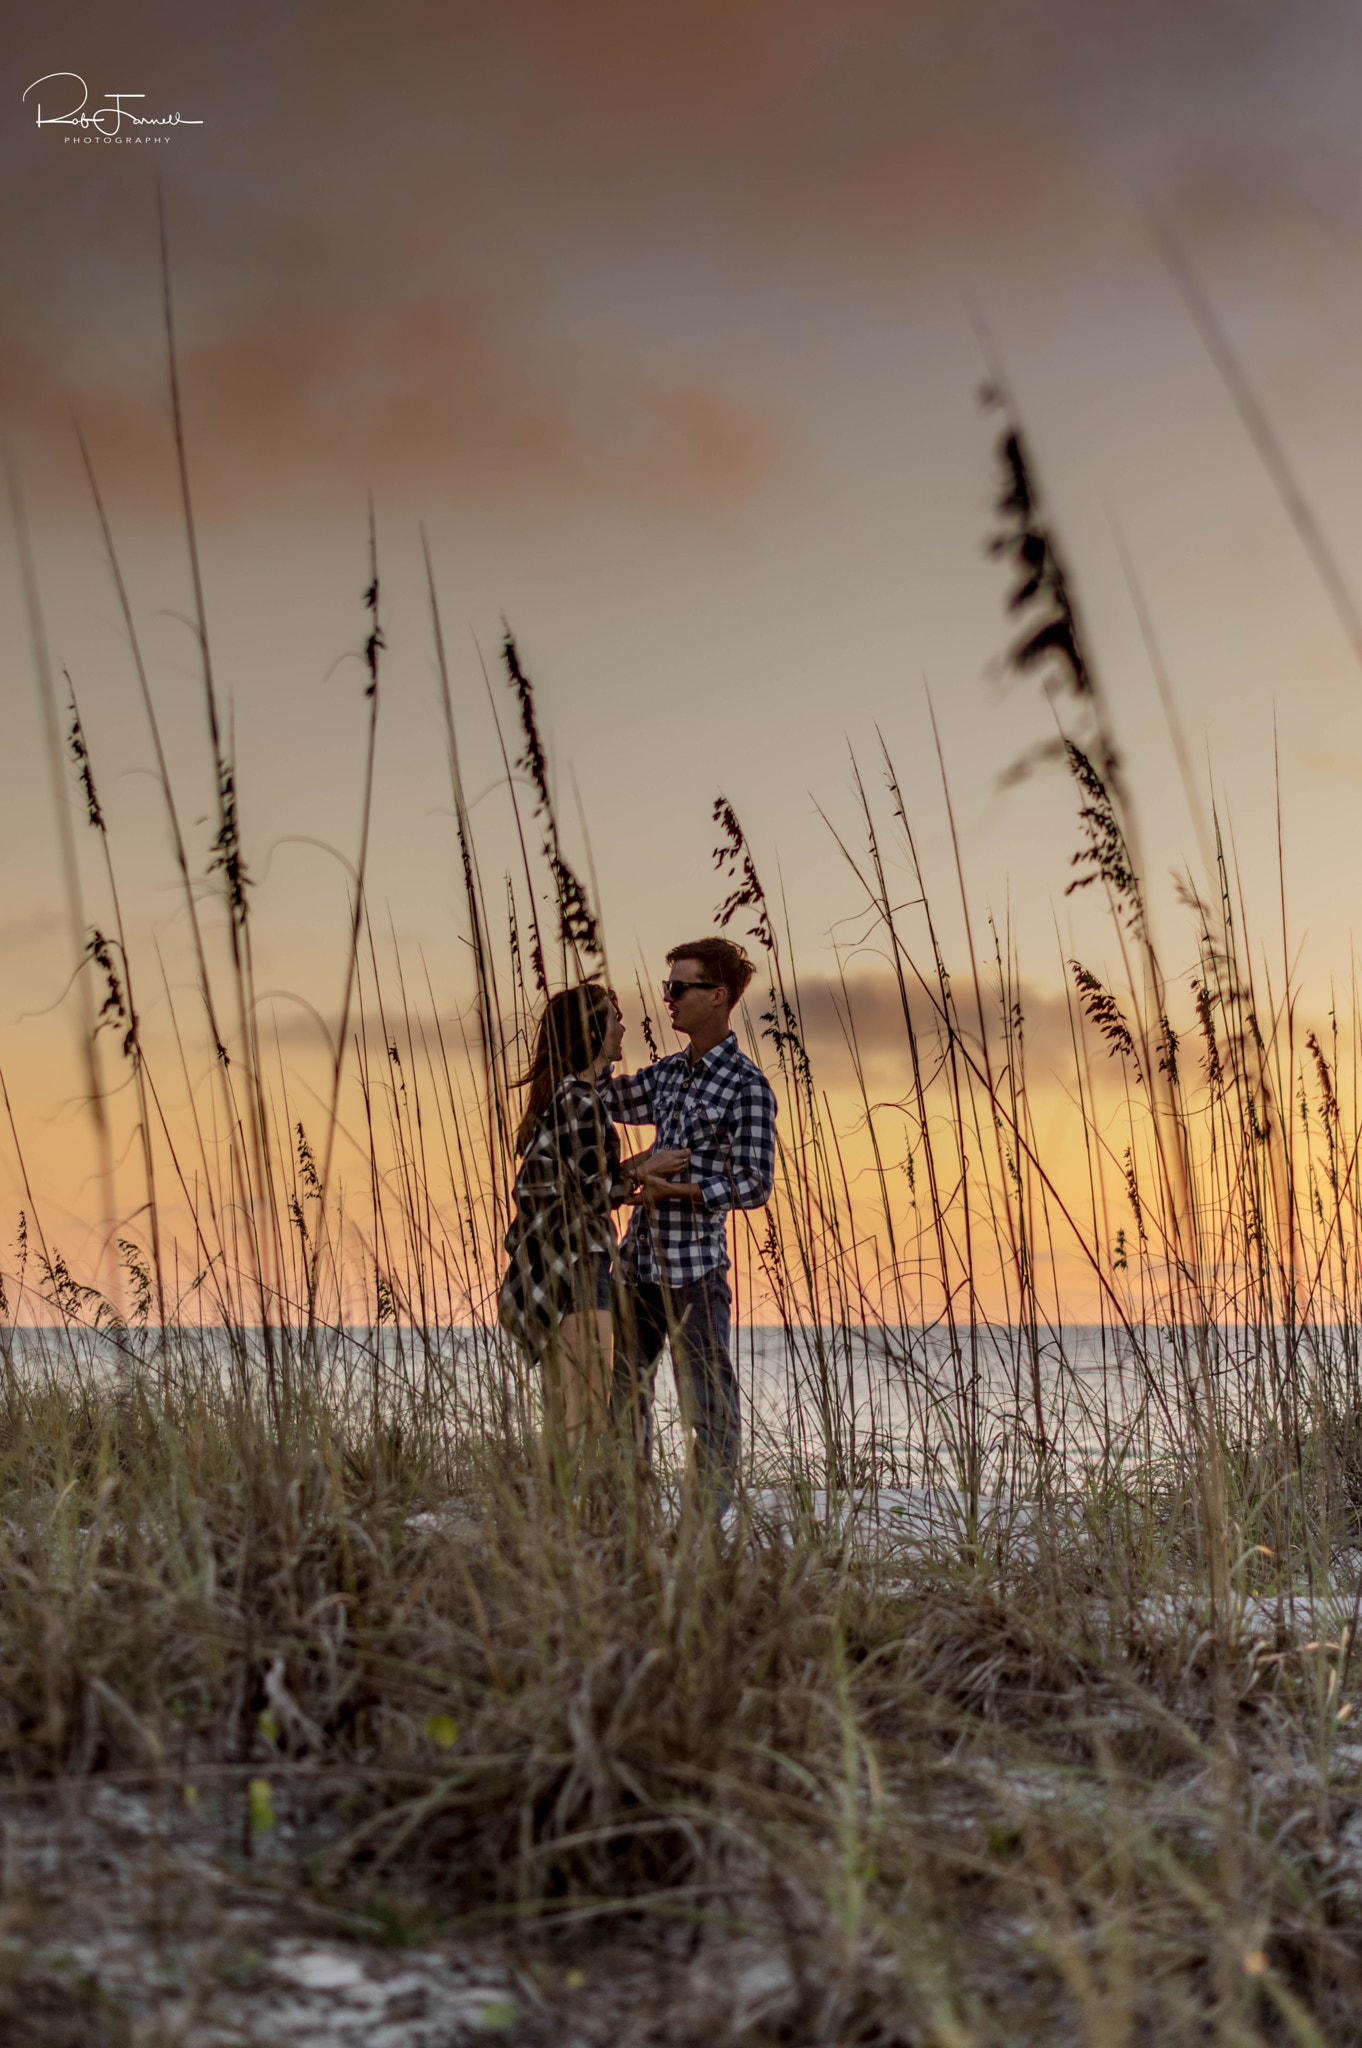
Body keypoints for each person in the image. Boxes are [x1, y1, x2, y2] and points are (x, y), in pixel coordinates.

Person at [599, 937, 777, 1508]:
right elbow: (603, 1098)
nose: (668, 999)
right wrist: (594, 1037)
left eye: (679, 987)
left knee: (709, 1411)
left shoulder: (748, 1087)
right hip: (638, 1268)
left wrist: (675, 1186)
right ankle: (626, 1523)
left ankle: (700, 1538)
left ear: (718, 996)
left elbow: (754, 1184)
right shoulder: (668, 1074)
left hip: (696, 1276)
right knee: (623, 1399)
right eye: (667, 987)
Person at [498, 983, 685, 1451]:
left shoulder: (563, 1096)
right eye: (614, 1018)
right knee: (584, 1419)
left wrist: (633, 1173)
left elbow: (572, 1186)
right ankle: (570, 1518)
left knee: (567, 1414)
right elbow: (592, 1193)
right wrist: (645, 1169)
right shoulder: (579, 1100)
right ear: (593, 1030)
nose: (623, 1026)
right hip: (580, 1265)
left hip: (560, 1264)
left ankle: (551, 1512)